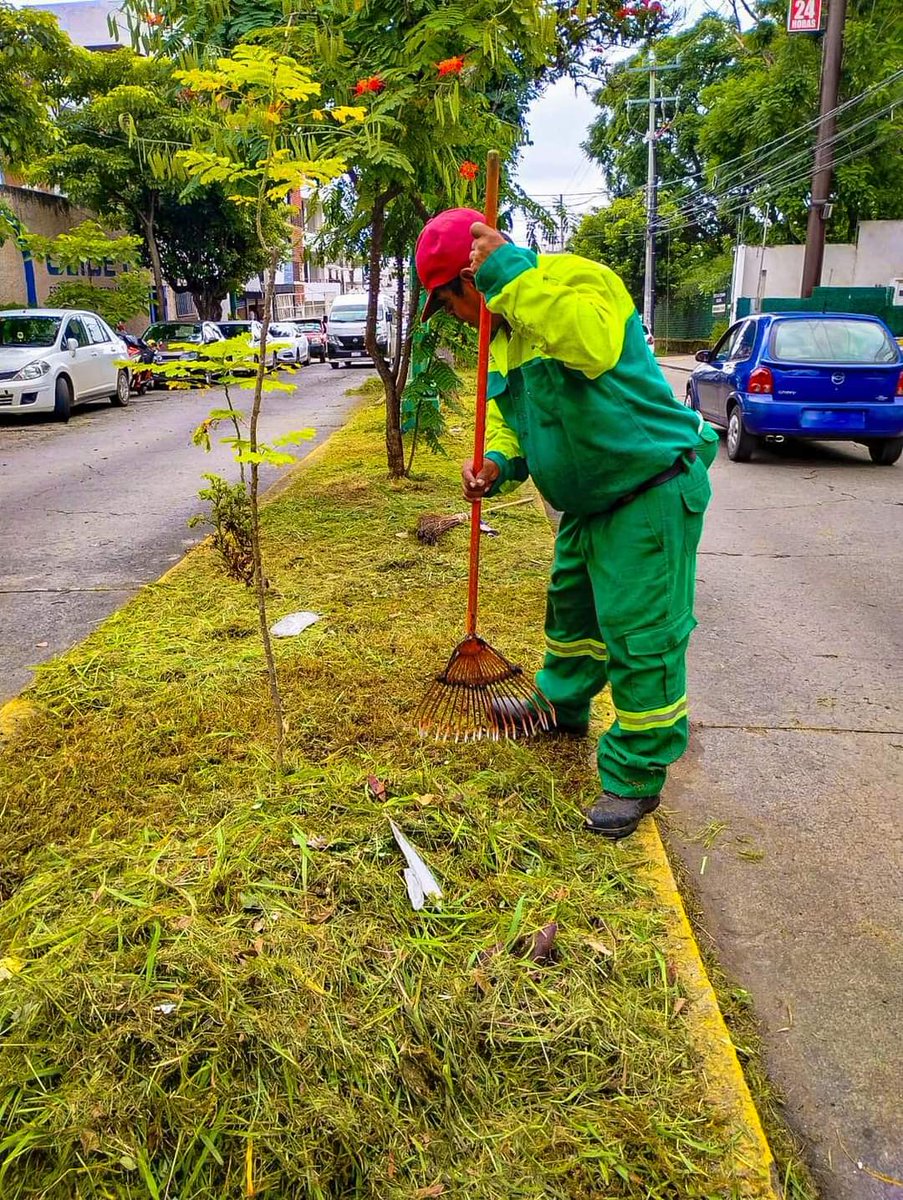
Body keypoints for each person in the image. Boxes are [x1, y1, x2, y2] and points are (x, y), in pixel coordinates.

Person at [414, 208, 719, 840]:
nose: (453, 320)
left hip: (648, 488)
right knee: (572, 617)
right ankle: (562, 706)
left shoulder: (577, 279)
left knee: (642, 637)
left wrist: (512, 278)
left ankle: (636, 773)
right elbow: (514, 422)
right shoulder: (497, 341)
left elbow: (590, 344)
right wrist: (497, 463)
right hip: (586, 504)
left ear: (472, 280)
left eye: (448, 304)